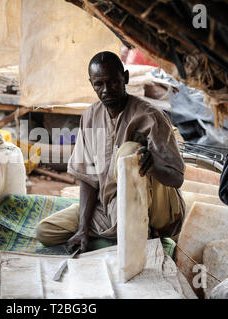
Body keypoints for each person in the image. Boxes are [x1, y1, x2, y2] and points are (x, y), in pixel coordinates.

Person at [35, 51, 186, 252]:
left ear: (125, 78)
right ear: (92, 84)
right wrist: (82, 228)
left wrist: (153, 165)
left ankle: (132, 230)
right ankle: (116, 237)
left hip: (153, 209)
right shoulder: (89, 117)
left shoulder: (150, 116)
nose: (106, 90)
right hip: (108, 207)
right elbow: (88, 179)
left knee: (129, 151)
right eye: (99, 84)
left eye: (113, 82)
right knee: (45, 232)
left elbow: (176, 179)